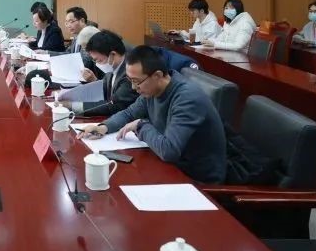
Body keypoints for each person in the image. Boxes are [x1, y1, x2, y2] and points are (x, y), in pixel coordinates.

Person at [79, 46, 226, 184]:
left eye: (136, 81)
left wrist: (141, 125)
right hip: (167, 166)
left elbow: (169, 150)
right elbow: (129, 113)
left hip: (195, 179)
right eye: (130, 81)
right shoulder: (153, 89)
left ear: (157, 75)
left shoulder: (187, 98)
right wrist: (103, 127)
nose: (133, 87)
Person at [64, 30, 136, 117]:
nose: (97, 64)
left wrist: (72, 106)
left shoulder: (130, 74)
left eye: (99, 60)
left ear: (112, 54)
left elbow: (113, 106)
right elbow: (103, 91)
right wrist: (72, 96)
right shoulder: (112, 67)